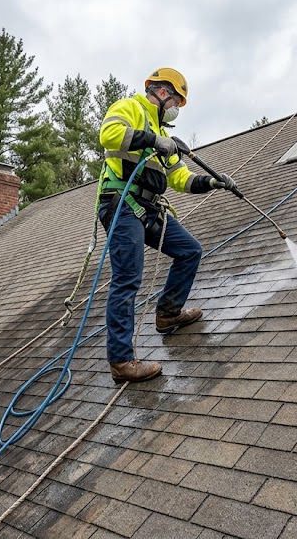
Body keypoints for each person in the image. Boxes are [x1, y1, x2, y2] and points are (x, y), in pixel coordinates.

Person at [97, 67, 239, 383]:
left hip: (148, 207)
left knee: (189, 250)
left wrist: (212, 182)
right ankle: (121, 361)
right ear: (163, 93)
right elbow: (108, 135)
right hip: (120, 202)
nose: (176, 107)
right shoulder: (130, 107)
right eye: (176, 100)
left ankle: (168, 313)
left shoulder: (166, 137)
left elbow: (180, 178)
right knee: (128, 277)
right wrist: (153, 141)